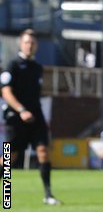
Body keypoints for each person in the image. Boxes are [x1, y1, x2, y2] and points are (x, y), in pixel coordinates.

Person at [0, 29, 62, 205]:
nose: (30, 45)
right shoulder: (12, 65)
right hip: (15, 117)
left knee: (43, 151)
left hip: (36, 117)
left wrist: (31, 111)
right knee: (8, 157)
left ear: (37, 46)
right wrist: (21, 110)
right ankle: (6, 196)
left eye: (33, 43)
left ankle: (48, 195)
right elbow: (5, 92)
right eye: (27, 42)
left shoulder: (37, 68)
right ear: (21, 44)